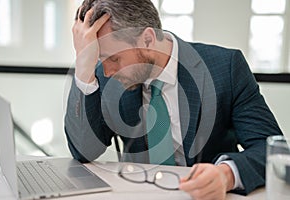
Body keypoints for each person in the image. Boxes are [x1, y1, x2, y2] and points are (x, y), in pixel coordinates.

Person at [64, 0, 283, 199]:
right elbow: (84, 151)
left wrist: (225, 175)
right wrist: (84, 70)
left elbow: (270, 149)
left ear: (148, 39)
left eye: (114, 58)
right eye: (98, 59)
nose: (108, 70)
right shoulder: (102, 75)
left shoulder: (226, 68)